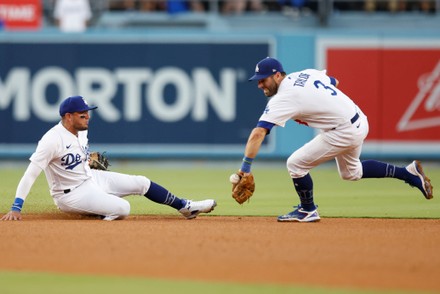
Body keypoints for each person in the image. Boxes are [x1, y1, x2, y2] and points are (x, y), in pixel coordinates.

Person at [238, 57, 433, 222]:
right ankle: (408, 173)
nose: (260, 84)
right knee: (351, 172)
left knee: (295, 164)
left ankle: (308, 209)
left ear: (278, 75)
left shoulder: (283, 98)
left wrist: (245, 169)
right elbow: (335, 82)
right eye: (258, 80)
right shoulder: (304, 74)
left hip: (343, 131)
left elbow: (258, 133)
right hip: (359, 120)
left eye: (263, 79)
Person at [1, 96, 216, 221]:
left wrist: (87, 161)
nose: (88, 116)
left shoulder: (82, 132)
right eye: (82, 114)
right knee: (122, 208)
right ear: (68, 117)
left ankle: (185, 207)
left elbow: (77, 159)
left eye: (88, 112)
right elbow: (31, 174)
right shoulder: (51, 140)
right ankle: (98, 218)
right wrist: (16, 207)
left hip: (90, 178)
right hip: (70, 195)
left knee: (141, 182)